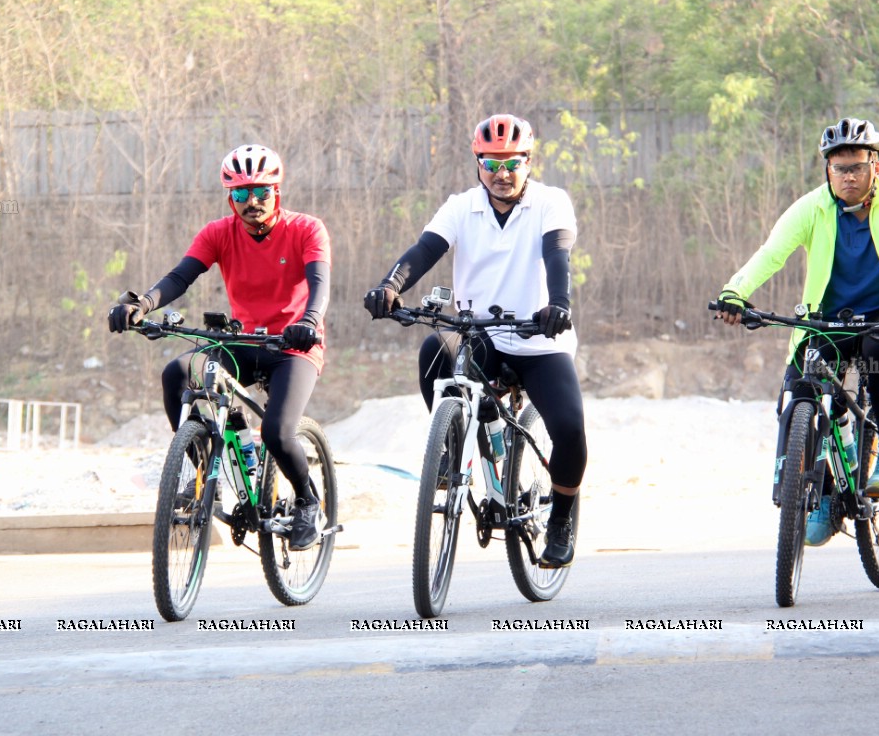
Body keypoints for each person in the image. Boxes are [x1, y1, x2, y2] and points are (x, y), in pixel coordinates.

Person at [714, 117, 879, 546]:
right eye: (839, 168)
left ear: (875, 166)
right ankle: (821, 489)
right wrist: (734, 292)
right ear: (827, 169)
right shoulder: (812, 208)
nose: (847, 176)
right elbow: (771, 255)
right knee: (800, 390)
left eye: (856, 167)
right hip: (826, 319)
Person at [363, 114, 587, 568]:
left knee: (569, 430)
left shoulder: (550, 202)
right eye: (491, 164)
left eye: (511, 164)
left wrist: (558, 304)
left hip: (538, 339)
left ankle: (561, 519)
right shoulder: (461, 206)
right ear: (477, 163)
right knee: (433, 351)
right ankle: (452, 446)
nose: (501, 175)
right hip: (479, 336)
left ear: (528, 161)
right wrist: (391, 286)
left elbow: (556, 254)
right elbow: (424, 250)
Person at [108, 144, 331, 550]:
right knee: (177, 372)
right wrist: (141, 305)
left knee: (280, 434)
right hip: (240, 341)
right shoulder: (218, 233)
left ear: (277, 192)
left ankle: (308, 502)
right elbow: (180, 277)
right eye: (242, 195)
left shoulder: (306, 229)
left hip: (292, 346)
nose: (253, 202)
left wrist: (309, 322)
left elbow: (320, 285)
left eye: (262, 191)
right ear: (231, 198)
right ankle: (201, 476)